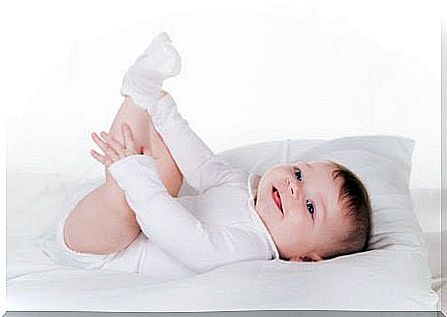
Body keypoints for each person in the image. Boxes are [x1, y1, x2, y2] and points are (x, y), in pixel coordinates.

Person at [43, 32, 371, 279]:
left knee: (127, 202)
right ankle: (143, 92)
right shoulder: (246, 188)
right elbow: (201, 163)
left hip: (104, 250)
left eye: (311, 208)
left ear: (304, 259)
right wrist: (165, 112)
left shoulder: (250, 247)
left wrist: (135, 176)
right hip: (141, 212)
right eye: (299, 174)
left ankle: (135, 122)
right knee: (171, 168)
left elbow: (186, 239)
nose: (294, 189)